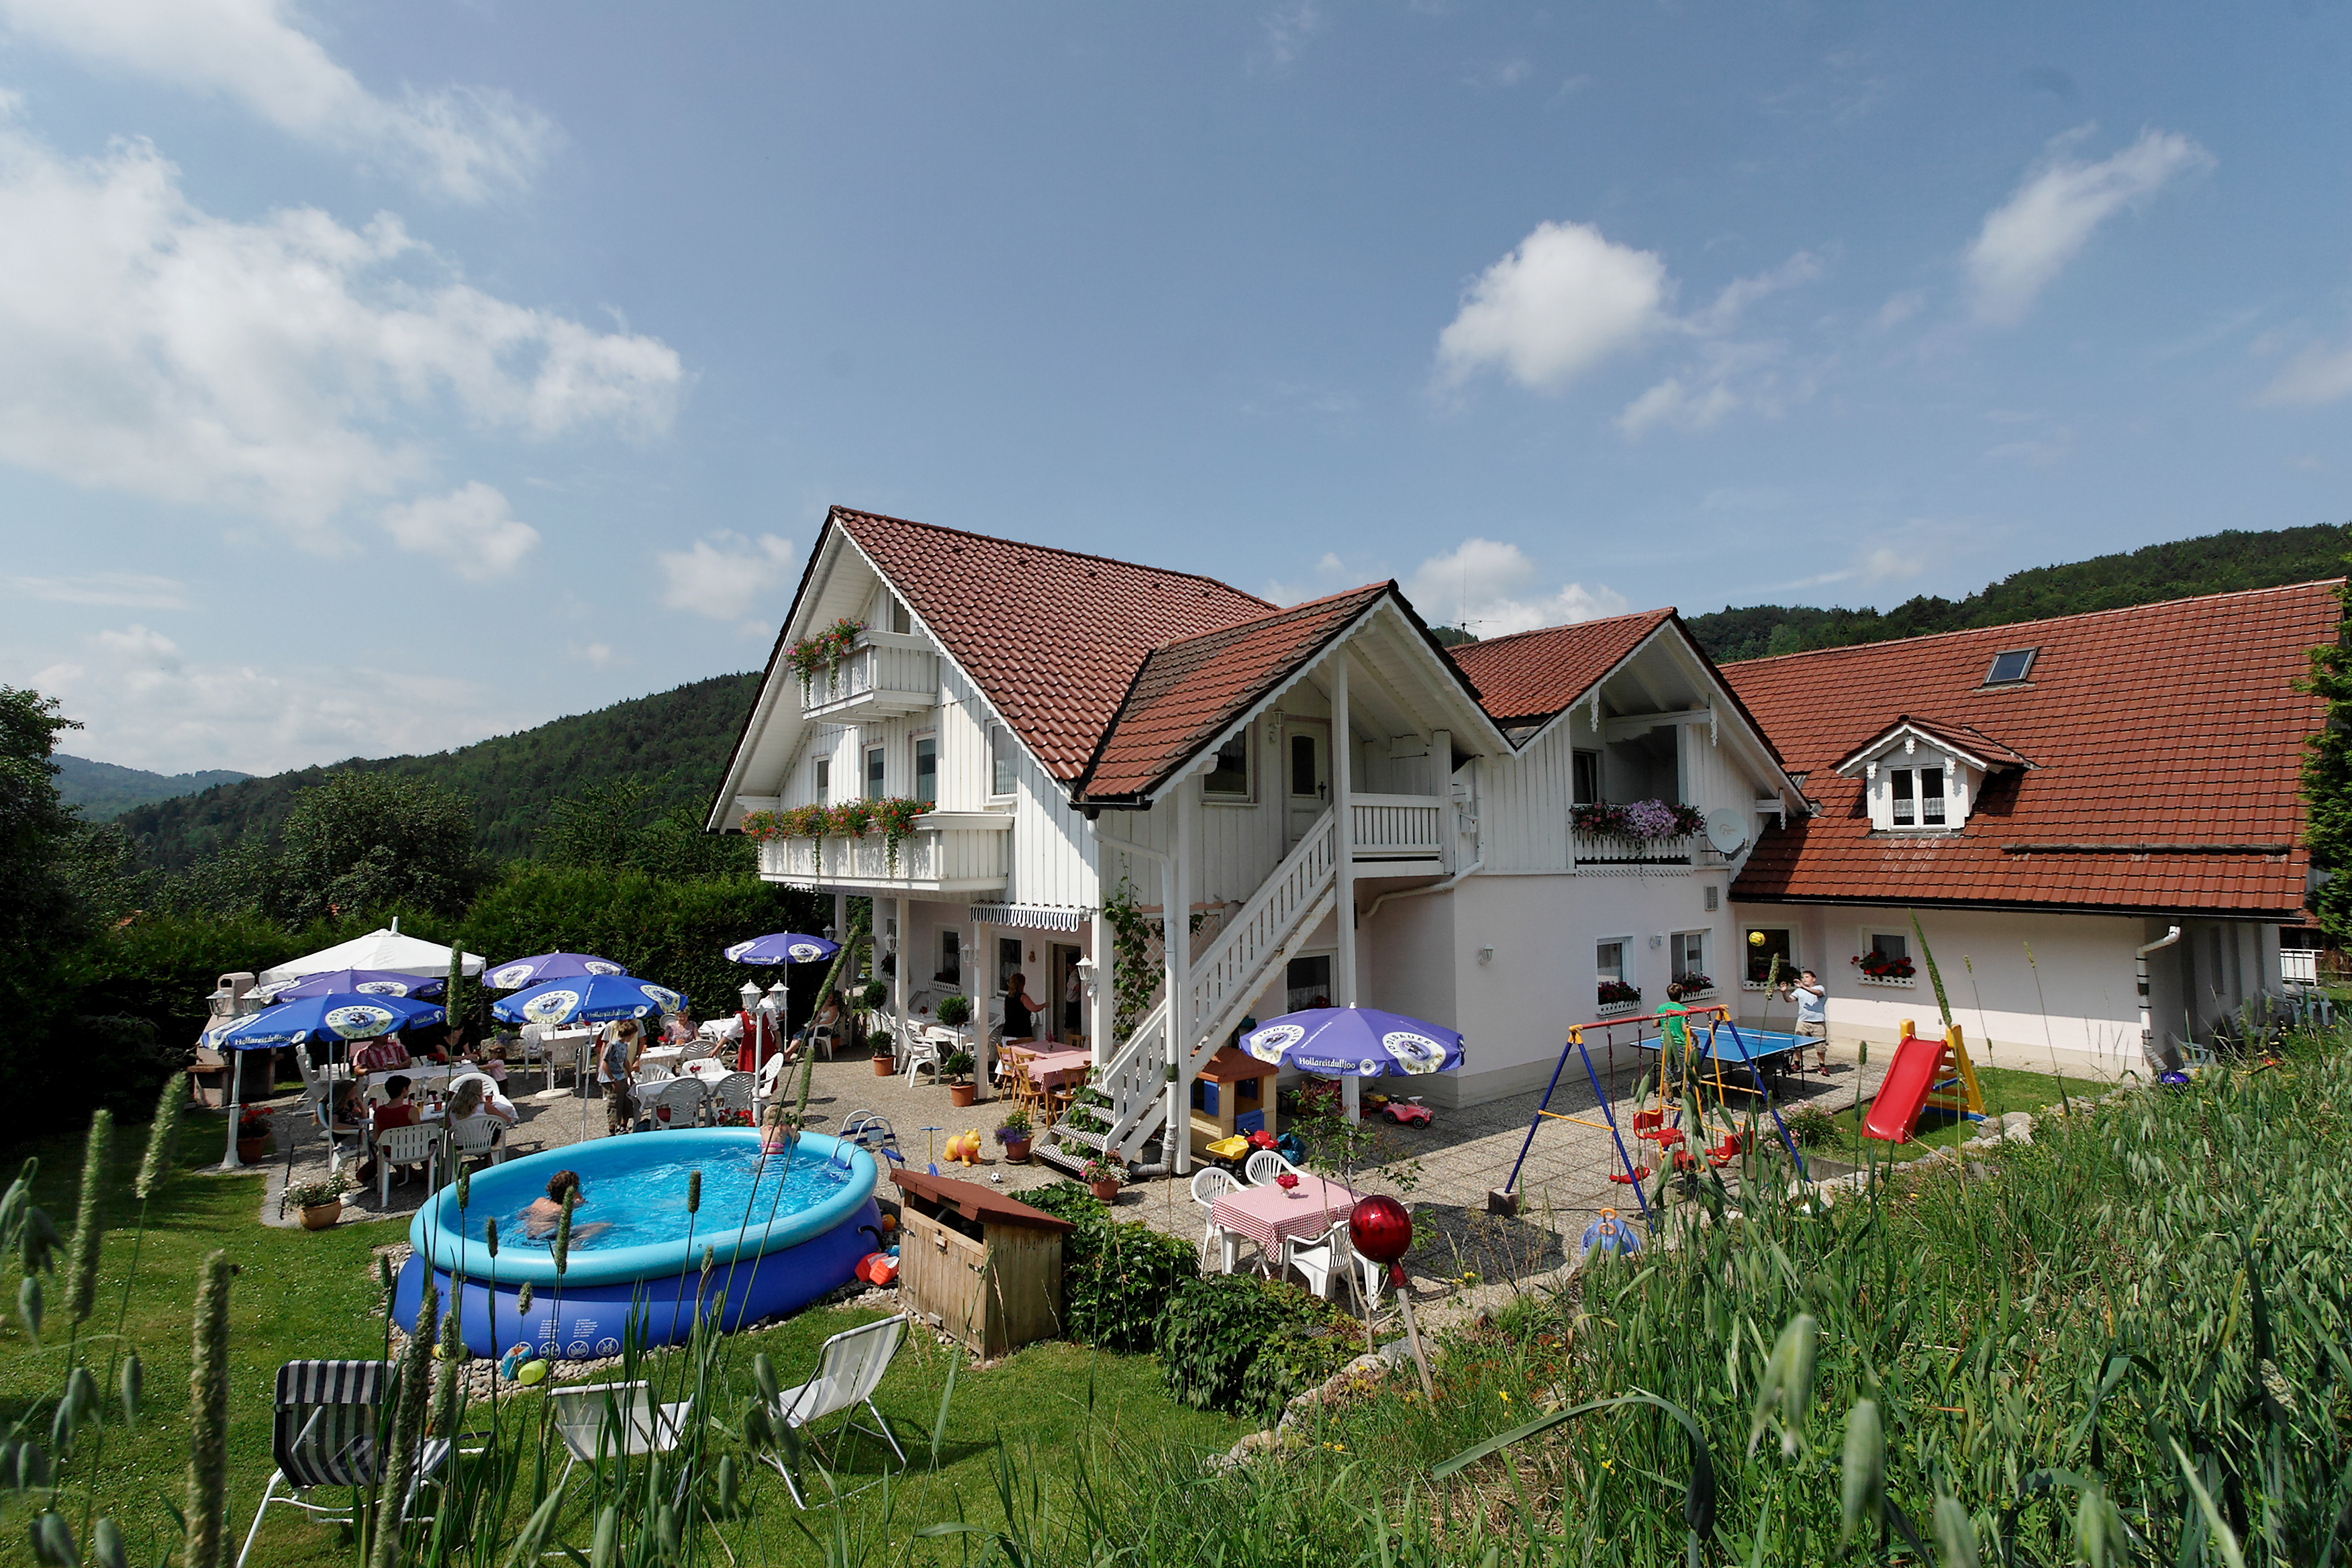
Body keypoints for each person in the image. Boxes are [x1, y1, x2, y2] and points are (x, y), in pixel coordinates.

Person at [523, 1169, 612, 1244]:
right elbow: (581, 1202)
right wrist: (578, 1197)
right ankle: (574, 1244)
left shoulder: (539, 1201)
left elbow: (522, 1215)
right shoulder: (563, 1209)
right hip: (547, 1238)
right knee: (605, 1225)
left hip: (530, 1234)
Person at [597, 1019, 640, 1136]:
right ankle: (612, 1130)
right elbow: (605, 1064)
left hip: (620, 1075)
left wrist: (630, 1077)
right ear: (629, 1034)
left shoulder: (624, 1045)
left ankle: (623, 1126)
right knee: (615, 1102)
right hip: (610, 1078)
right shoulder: (613, 1045)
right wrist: (612, 1080)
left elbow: (625, 1062)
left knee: (626, 1100)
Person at [1781, 968, 1830, 1073]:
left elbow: (1817, 993)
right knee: (1797, 1045)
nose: (1804, 979)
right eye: (1803, 978)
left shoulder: (1820, 988)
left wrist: (1802, 986)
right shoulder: (1799, 991)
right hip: (1802, 1022)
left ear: (1814, 979)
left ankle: (1822, 1066)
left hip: (1818, 1023)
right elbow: (1789, 1000)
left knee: (1820, 1047)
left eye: (1807, 977)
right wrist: (1784, 992)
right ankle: (1797, 1064)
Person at [1655, 982, 1693, 1085]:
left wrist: (1666, 1022)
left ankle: (1669, 1100)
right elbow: (1685, 1029)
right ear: (1681, 995)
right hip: (1680, 1043)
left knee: (1667, 1073)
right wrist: (1694, 1036)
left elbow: (1655, 1024)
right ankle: (1689, 1096)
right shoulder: (1684, 1010)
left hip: (1666, 1043)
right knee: (1686, 1071)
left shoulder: (1661, 1008)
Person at [1002, 972, 1045, 1042]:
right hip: (1021, 1034)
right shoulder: (1023, 997)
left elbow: (1004, 1008)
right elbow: (1034, 1008)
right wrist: (1044, 1005)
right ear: (1021, 985)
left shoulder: (1008, 997)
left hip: (1008, 1033)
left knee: (1008, 1053)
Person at [1063, 966, 1082, 1038]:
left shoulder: (1074, 977)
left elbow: (1077, 988)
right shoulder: (1073, 976)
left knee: (1070, 1029)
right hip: (1072, 1005)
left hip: (1073, 1005)